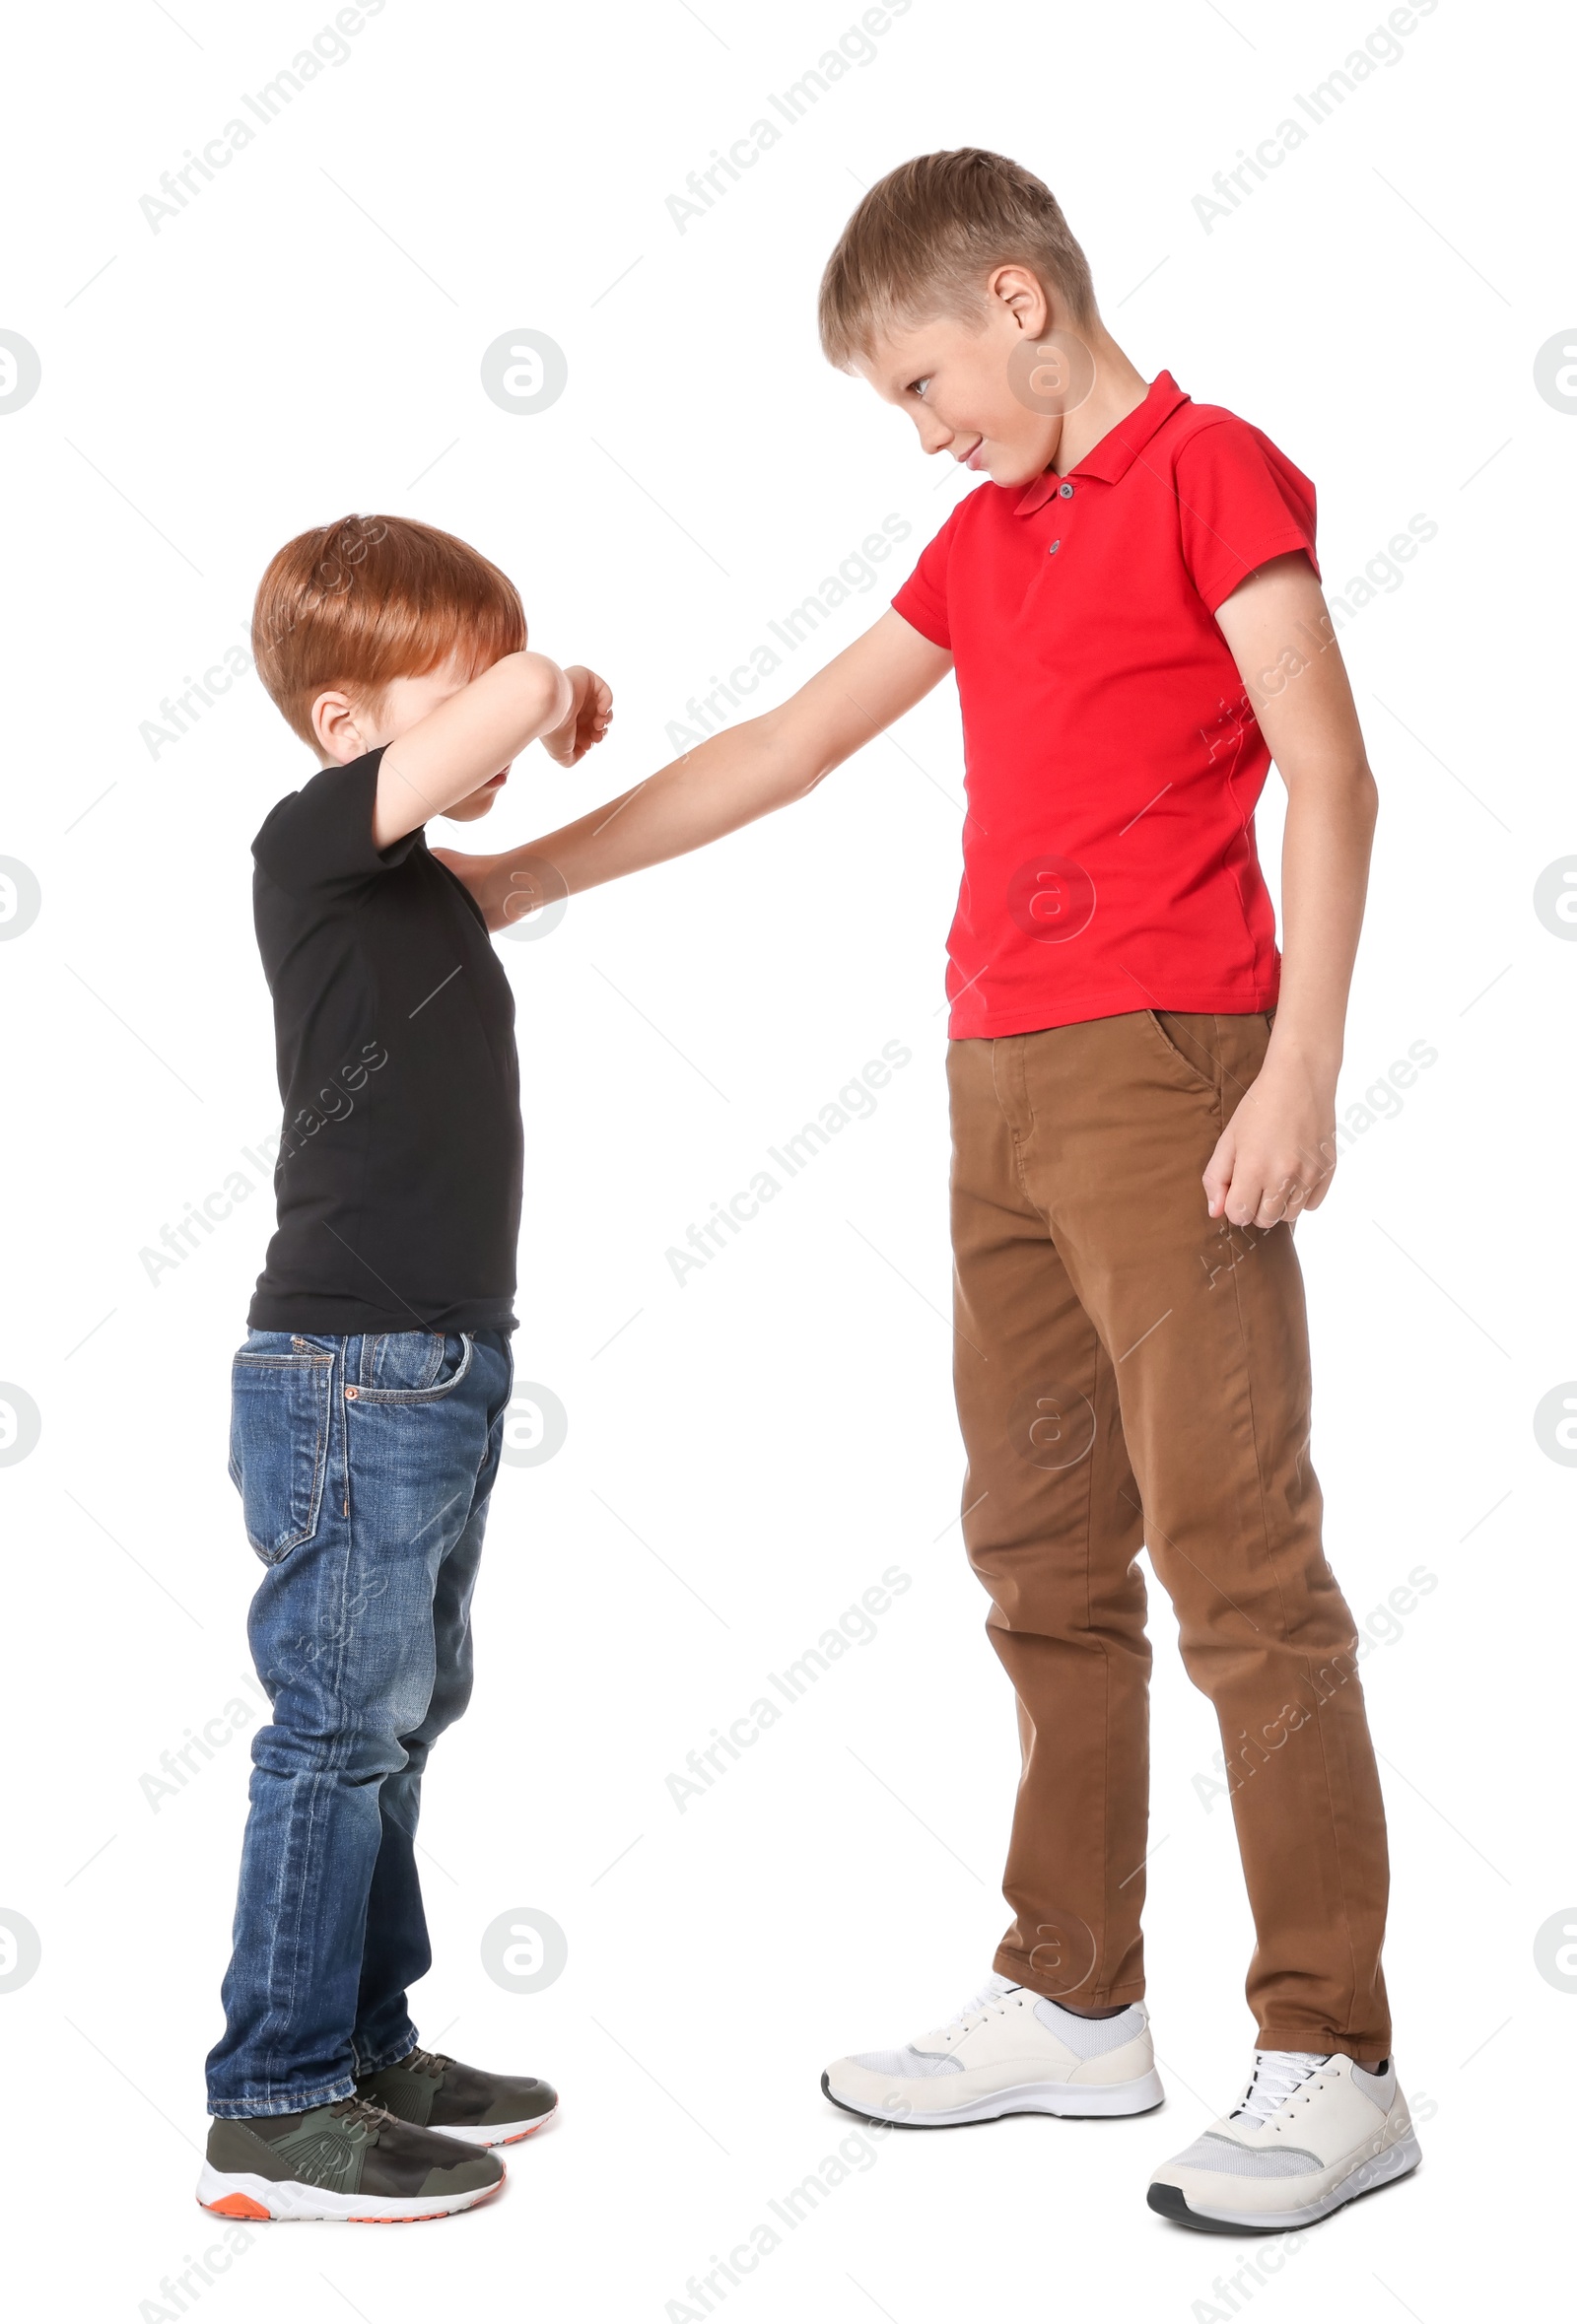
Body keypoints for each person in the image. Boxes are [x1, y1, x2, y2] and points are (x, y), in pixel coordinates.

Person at [476, 151, 1419, 2232]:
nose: (919, 434)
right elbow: (790, 745)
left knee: (1238, 1569)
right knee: (1038, 1555)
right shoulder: (983, 540)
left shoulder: (1211, 470)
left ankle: (1331, 2058)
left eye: (917, 383)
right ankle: (1075, 1998)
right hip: (992, 1079)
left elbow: (1330, 768)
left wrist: (1301, 1067)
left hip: (1172, 1074)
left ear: (1014, 297)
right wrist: (527, 875)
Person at [200, 513, 611, 2223]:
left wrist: (515, 700)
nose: (499, 733)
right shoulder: (312, 845)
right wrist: (550, 679)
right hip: (353, 1369)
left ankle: (365, 2040)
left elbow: (491, 725)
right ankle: (275, 2095)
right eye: (458, 704)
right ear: (346, 726)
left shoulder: (425, 885)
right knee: (333, 1729)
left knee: (403, 1717)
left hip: (437, 1366)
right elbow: (511, 691)